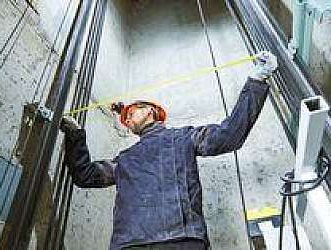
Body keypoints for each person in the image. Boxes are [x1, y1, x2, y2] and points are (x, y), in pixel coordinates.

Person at [60, 51, 278, 250]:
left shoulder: (184, 138)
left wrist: (257, 80)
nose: (127, 118)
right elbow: (85, 176)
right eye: (125, 118)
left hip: (181, 241)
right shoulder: (124, 160)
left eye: (132, 111)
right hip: (131, 244)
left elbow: (229, 135)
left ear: (152, 111)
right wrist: (75, 135)